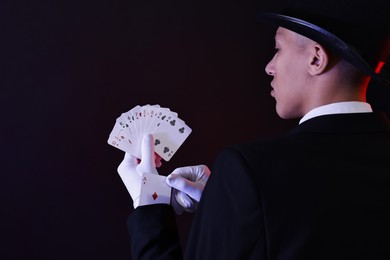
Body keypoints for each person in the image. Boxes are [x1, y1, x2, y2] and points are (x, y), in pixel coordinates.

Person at [117, 0, 390, 259]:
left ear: (316, 59)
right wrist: (230, 205)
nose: (269, 67)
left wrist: (149, 206)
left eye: (278, 48)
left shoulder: (248, 168)